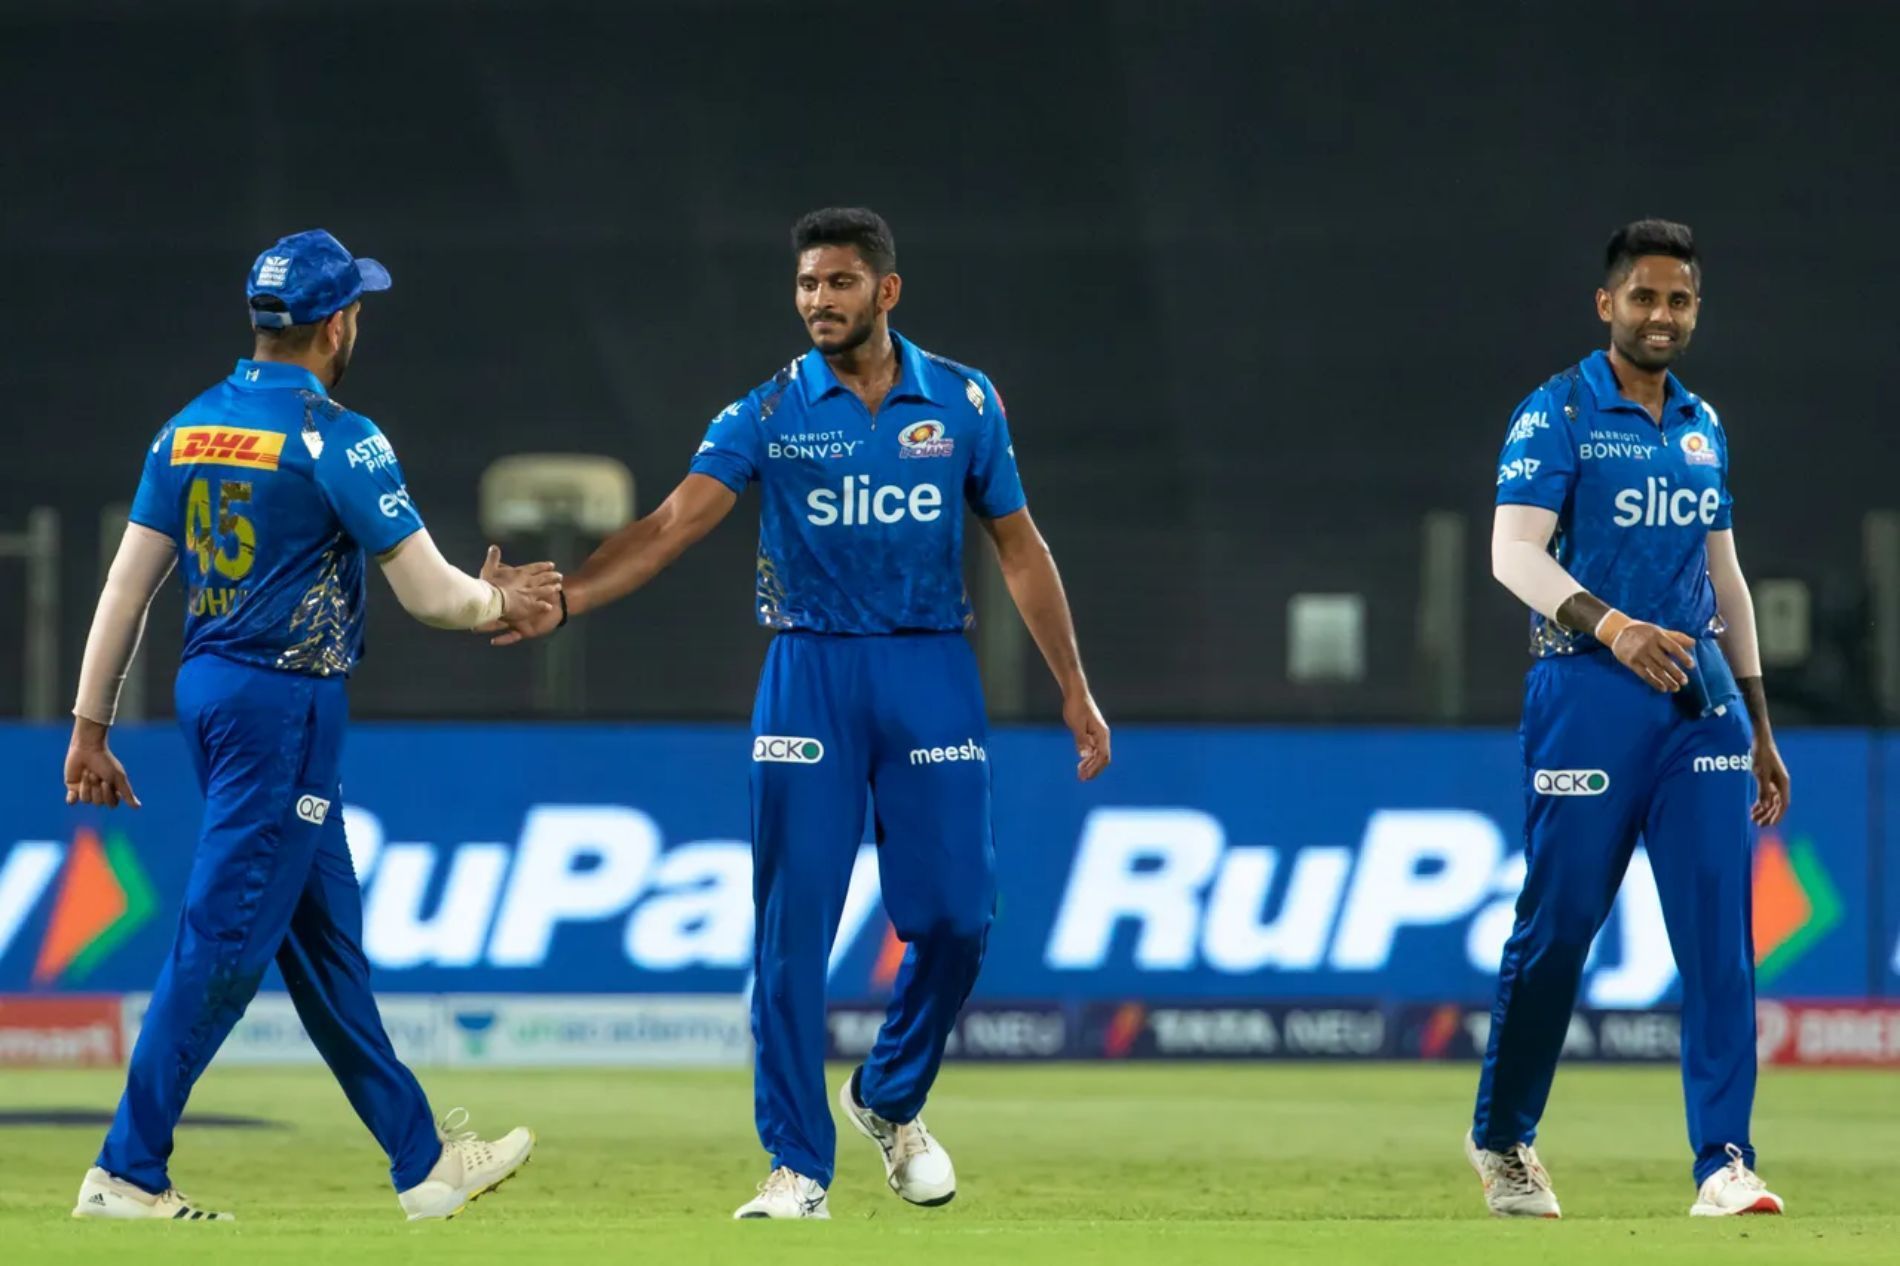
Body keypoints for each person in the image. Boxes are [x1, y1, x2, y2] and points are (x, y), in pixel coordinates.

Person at [491, 207, 1111, 1219]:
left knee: (956, 920)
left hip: (927, 672)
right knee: (791, 934)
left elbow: (1020, 548)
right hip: (808, 673)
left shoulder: (961, 400)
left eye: (837, 283)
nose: (817, 301)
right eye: (806, 285)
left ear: (885, 291)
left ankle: (886, 1097)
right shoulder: (770, 411)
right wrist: (567, 599)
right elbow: (667, 525)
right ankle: (796, 1168)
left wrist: (1073, 685)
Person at [64, 229, 551, 1223]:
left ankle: (424, 1164)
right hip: (284, 706)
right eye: (356, 310)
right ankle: (126, 1171)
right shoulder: (338, 434)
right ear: (339, 324)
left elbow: (127, 588)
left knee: (325, 946)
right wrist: (502, 605)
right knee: (224, 940)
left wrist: (89, 726)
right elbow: (431, 596)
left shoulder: (189, 427)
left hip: (213, 692)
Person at [1472, 218, 1790, 1218]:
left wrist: (1761, 722)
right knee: (1559, 927)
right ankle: (1504, 1138)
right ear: (1606, 305)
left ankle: (1724, 1162)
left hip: (1701, 709)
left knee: (1717, 939)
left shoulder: (1702, 423)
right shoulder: (1554, 413)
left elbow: (1721, 576)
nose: (1662, 315)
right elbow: (1511, 556)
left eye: (1679, 300)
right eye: (1644, 297)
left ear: (1694, 311)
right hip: (1586, 694)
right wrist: (1612, 628)